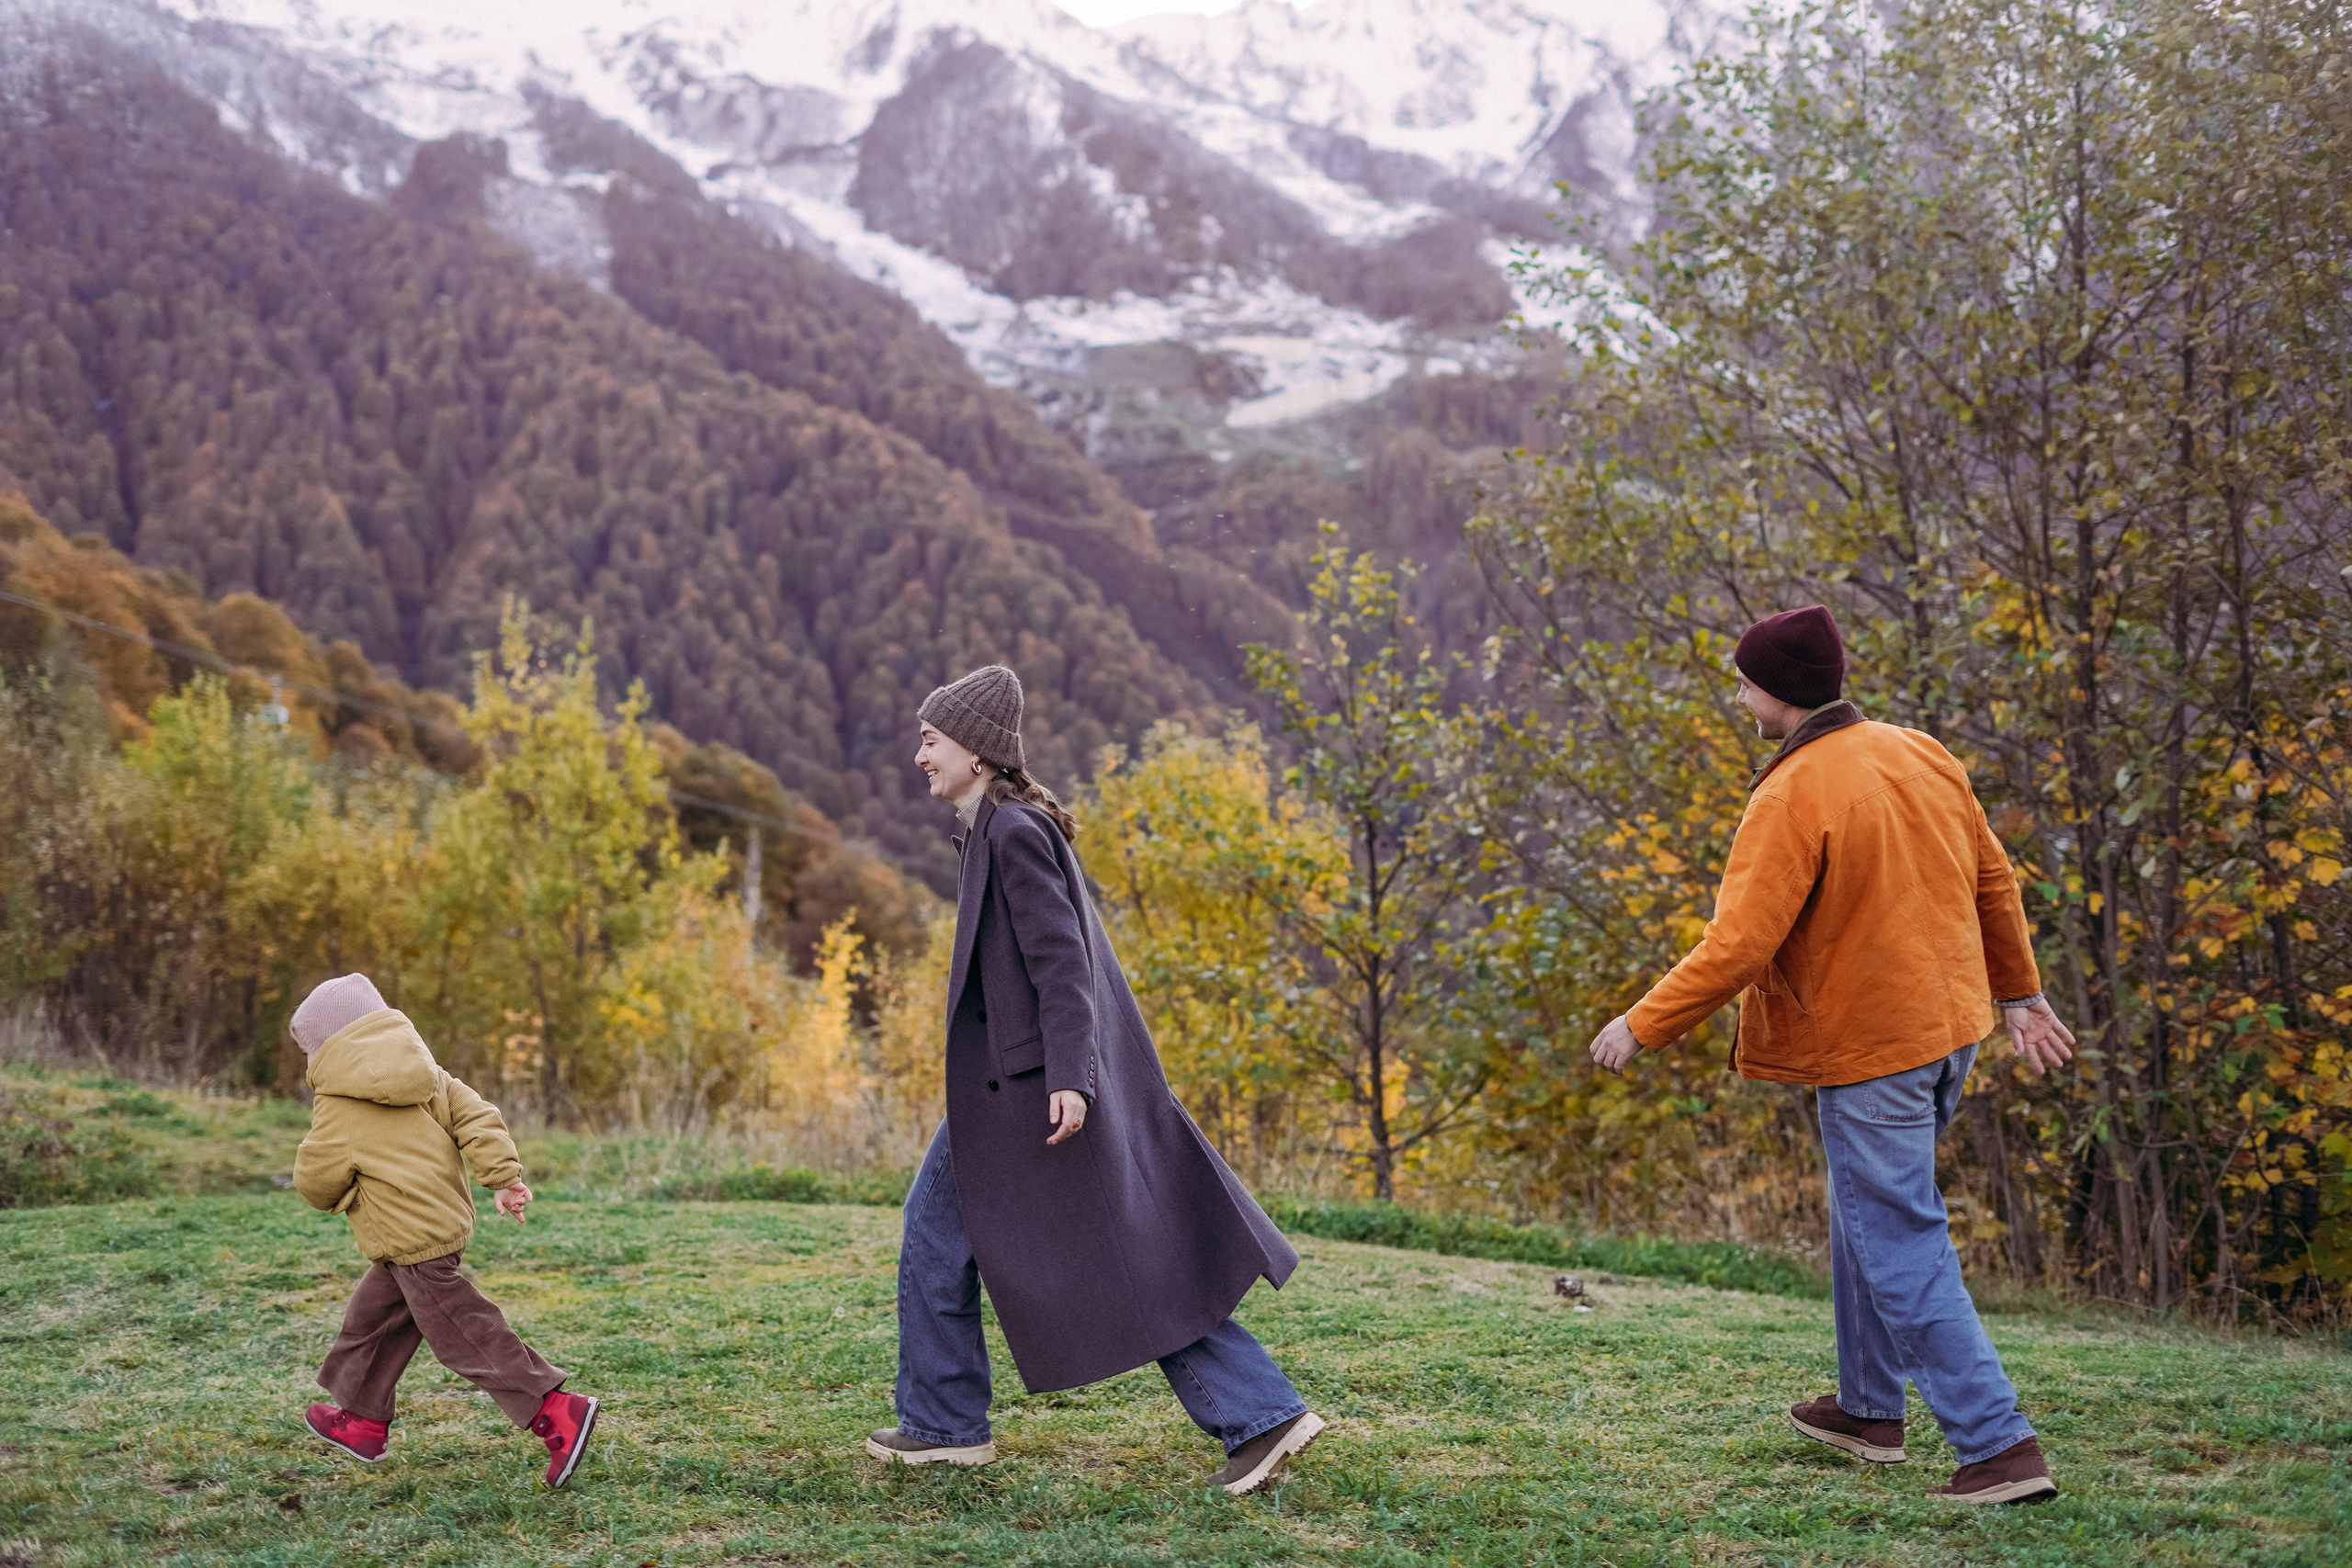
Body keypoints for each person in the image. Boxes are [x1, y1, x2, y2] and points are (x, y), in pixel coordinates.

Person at [1586, 605, 2075, 1506]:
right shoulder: (1918, 750)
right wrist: (2019, 994)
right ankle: (1867, 1411)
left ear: (1776, 694)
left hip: (1871, 1049)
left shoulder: (1790, 793)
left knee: (1896, 1237)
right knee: (1868, 1214)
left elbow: (1738, 945)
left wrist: (1641, 1023)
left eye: (1742, 683)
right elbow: (1993, 878)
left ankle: (1998, 1448)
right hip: (1946, 1033)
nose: (1738, 697)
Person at [867, 664, 1324, 1496]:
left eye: (931, 740)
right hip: (1016, 1087)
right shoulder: (991, 825)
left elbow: (1063, 965)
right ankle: (942, 1422)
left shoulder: (1012, 832)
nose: (919, 754)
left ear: (974, 750)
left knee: (1122, 1258)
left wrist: (1072, 1078)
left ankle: (1262, 1413)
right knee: (989, 1240)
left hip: (1036, 1092)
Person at [289, 973, 599, 1488]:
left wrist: (347, 1192)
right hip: (440, 1225)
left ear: (331, 1046)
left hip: (408, 1239)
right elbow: (478, 1116)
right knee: (372, 1320)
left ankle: (555, 1410)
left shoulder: (338, 1103)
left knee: (463, 1333)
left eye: (310, 1050)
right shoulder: (428, 1073)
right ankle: (363, 1421)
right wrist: (503, 1178)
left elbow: (317, 1182)